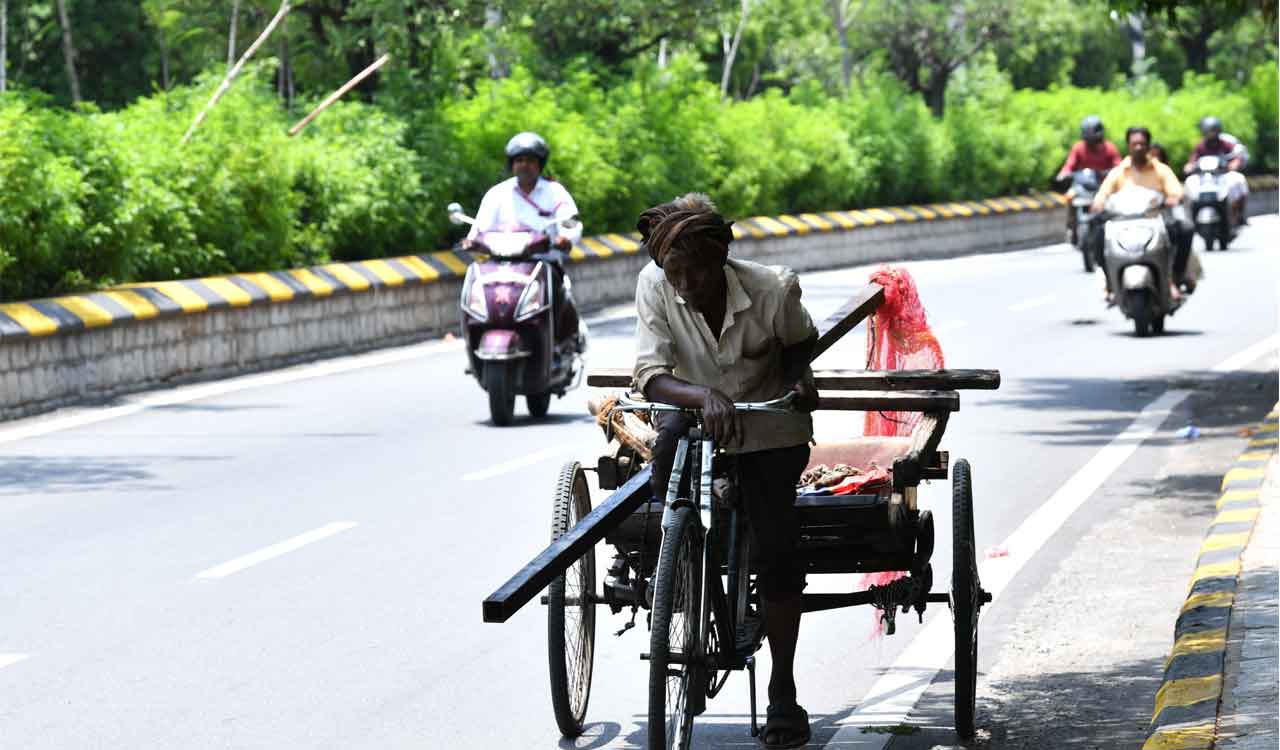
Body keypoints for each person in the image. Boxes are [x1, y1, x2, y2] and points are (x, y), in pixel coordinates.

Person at [633, 193, 818, 749]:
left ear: (723, 259)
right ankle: (669, 557)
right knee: (665, 455)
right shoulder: (655, 284)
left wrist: (800, 379)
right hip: (688, 409)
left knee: (778, 552)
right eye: (675, 271)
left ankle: (782, 689)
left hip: (765, 420)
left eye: (696, 270)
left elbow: (799, 345)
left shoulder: (773, 288)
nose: (685, 282)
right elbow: (649, 372)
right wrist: (702, 396)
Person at [465, 131, 585, 344]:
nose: (524, 165)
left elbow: (571, 222)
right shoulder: (497, 194)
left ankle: (557, 343)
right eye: (519, 160)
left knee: (558, 295)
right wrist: (472, 241)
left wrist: (565, 238)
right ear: (512, 164)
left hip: (543, 264)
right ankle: (475, 341)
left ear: (540, 164)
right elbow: (479, 228)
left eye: (530, 160)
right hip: (501, 267)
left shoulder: (554, 192)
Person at [1091, 126, 1191, 299]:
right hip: (1123, 223)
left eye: (1142, 144)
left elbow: (1175, 190)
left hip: (1155, 220)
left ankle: (1174, 278)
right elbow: (1103, 193)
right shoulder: (1119, 172)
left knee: (1185, 229)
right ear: (1128, 146)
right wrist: (1098, 204)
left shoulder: (1161, 170)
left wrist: (1173, 198)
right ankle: (1110, 281)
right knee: (1098, 235)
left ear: (1148, 146)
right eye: (1134, 144)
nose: (1138, 147)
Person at [1055, 115, 1122, 244]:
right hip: (1082, 185)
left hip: (1102, 187)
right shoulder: (1079, 148)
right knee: (1070, 197)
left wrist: (1112, 172)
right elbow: (1069, 165)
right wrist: (1064, 174)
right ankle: (1071, 226)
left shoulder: (1109, 148)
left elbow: (1118, 165)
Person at [1183, 116, 1250, 226]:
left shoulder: (1225, 143)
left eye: (1213, 130)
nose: (1211, 133)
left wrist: (1234, 163)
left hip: (1223, 175)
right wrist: (1189, 166)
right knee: (1189, 183)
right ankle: (1190, 218)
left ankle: (1240, 214)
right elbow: (1193, 159)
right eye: (1209, 131)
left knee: (1240, 179)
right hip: (1205, 177)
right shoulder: (1201, 146)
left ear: (1218, 130)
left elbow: (1236, 156)